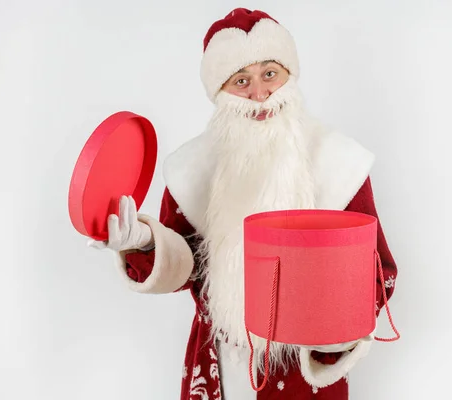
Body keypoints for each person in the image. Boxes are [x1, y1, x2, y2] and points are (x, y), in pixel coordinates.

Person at [89, 8, 398, 400]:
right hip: (217, 362)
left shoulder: (340, 162)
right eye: (241, 80)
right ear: (220, 93)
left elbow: (378, 271)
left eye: (270, 73)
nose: (259, 94)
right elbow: (182, 270)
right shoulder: (192, 169)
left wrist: (333, 332)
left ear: (289, 76)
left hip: (304, 372)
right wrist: (146, 243)